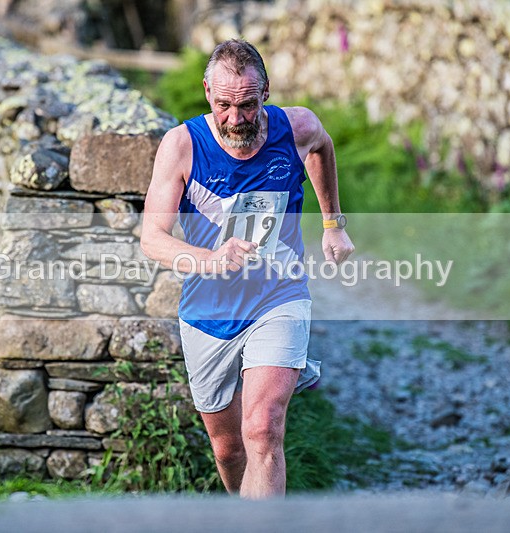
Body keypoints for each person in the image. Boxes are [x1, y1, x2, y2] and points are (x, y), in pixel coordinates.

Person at [141, 39, 354, 499]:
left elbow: (321, 146)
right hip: (208, 311)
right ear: (206, 93)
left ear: (266, 93)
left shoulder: (295, 126)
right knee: (229, 449)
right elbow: (151, 239)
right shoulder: (181, 146)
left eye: (247, 105)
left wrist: (333, 223)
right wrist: (211, 260)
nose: (236, 118)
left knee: (261, 429)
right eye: (223, 105)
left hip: (279, 295)